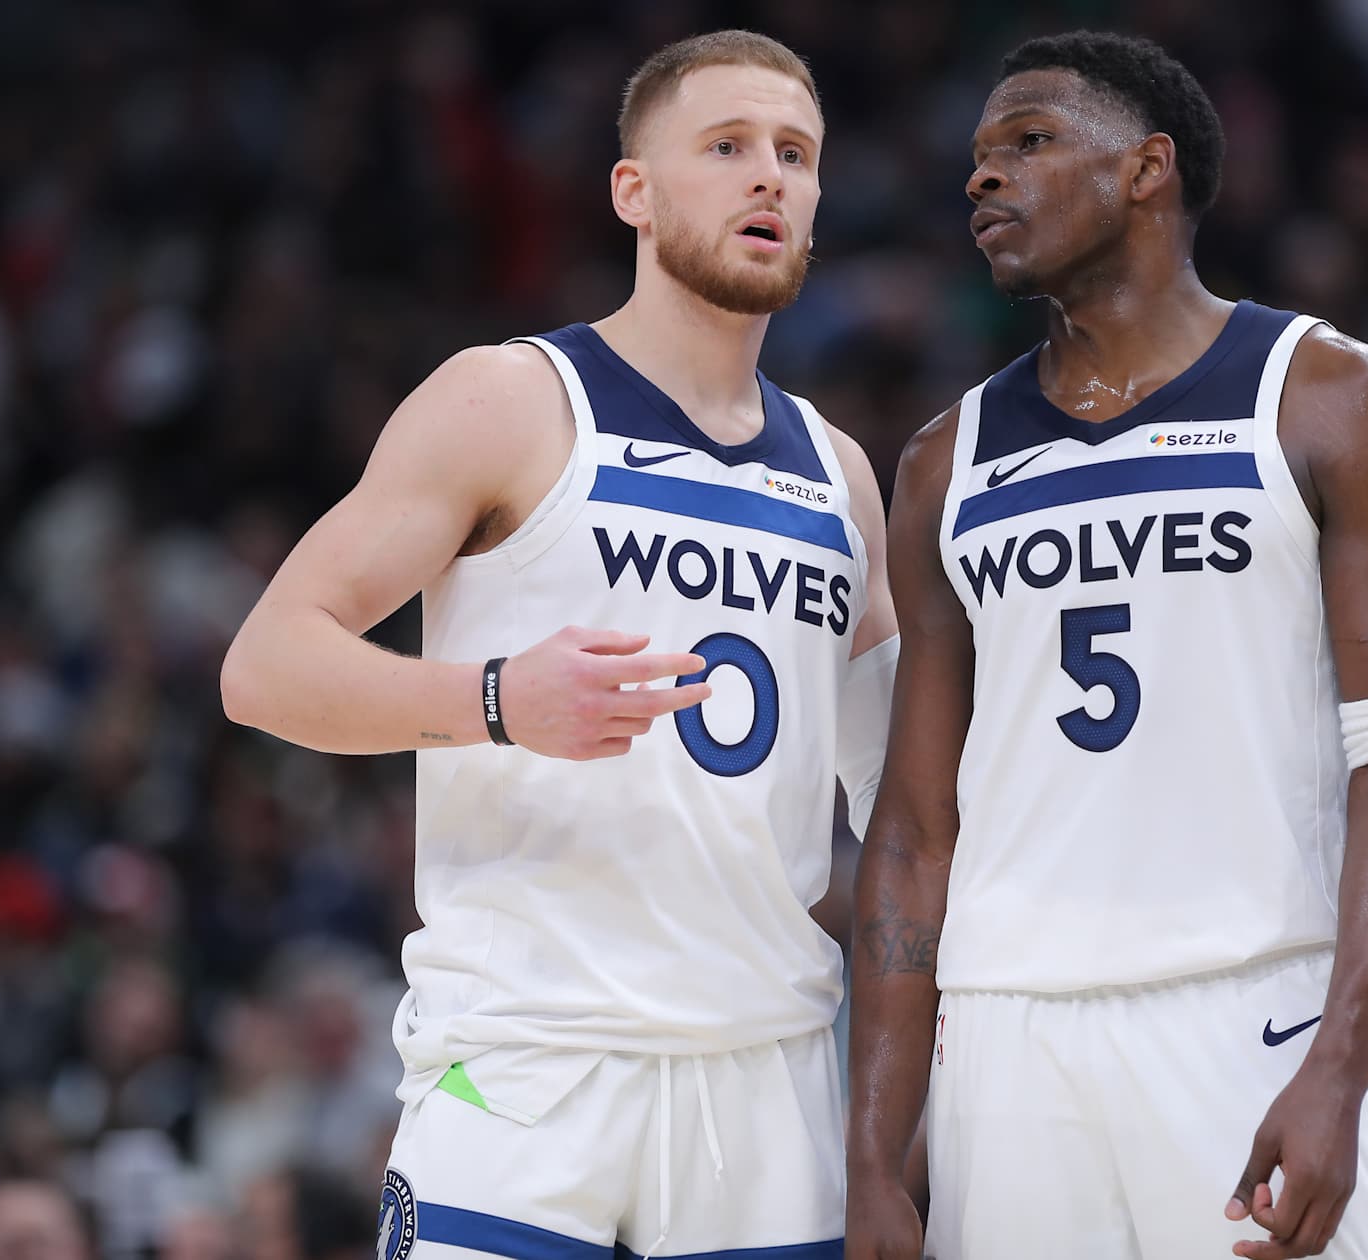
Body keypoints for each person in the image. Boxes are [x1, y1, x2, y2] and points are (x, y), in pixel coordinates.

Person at [221, 29, 896, 1260]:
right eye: (728, 146)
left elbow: (898, 789)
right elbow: (264, 666)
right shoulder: (512, 399)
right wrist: (495, 699)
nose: (769, 179)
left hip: (765, 1075)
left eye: (795, 155)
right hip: (526, 1060)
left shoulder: (841, 476)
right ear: (633, 192)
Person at [845, 29, 1368, 1260]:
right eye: (974, 158)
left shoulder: (1333, 394)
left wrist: (1342, 1063)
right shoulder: (940, 463)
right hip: (1009, 1033)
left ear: (1147, 170)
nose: (983, 178)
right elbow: (915, 831)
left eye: (1027, 142)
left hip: (1253, 1008)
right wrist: (873, 1153)